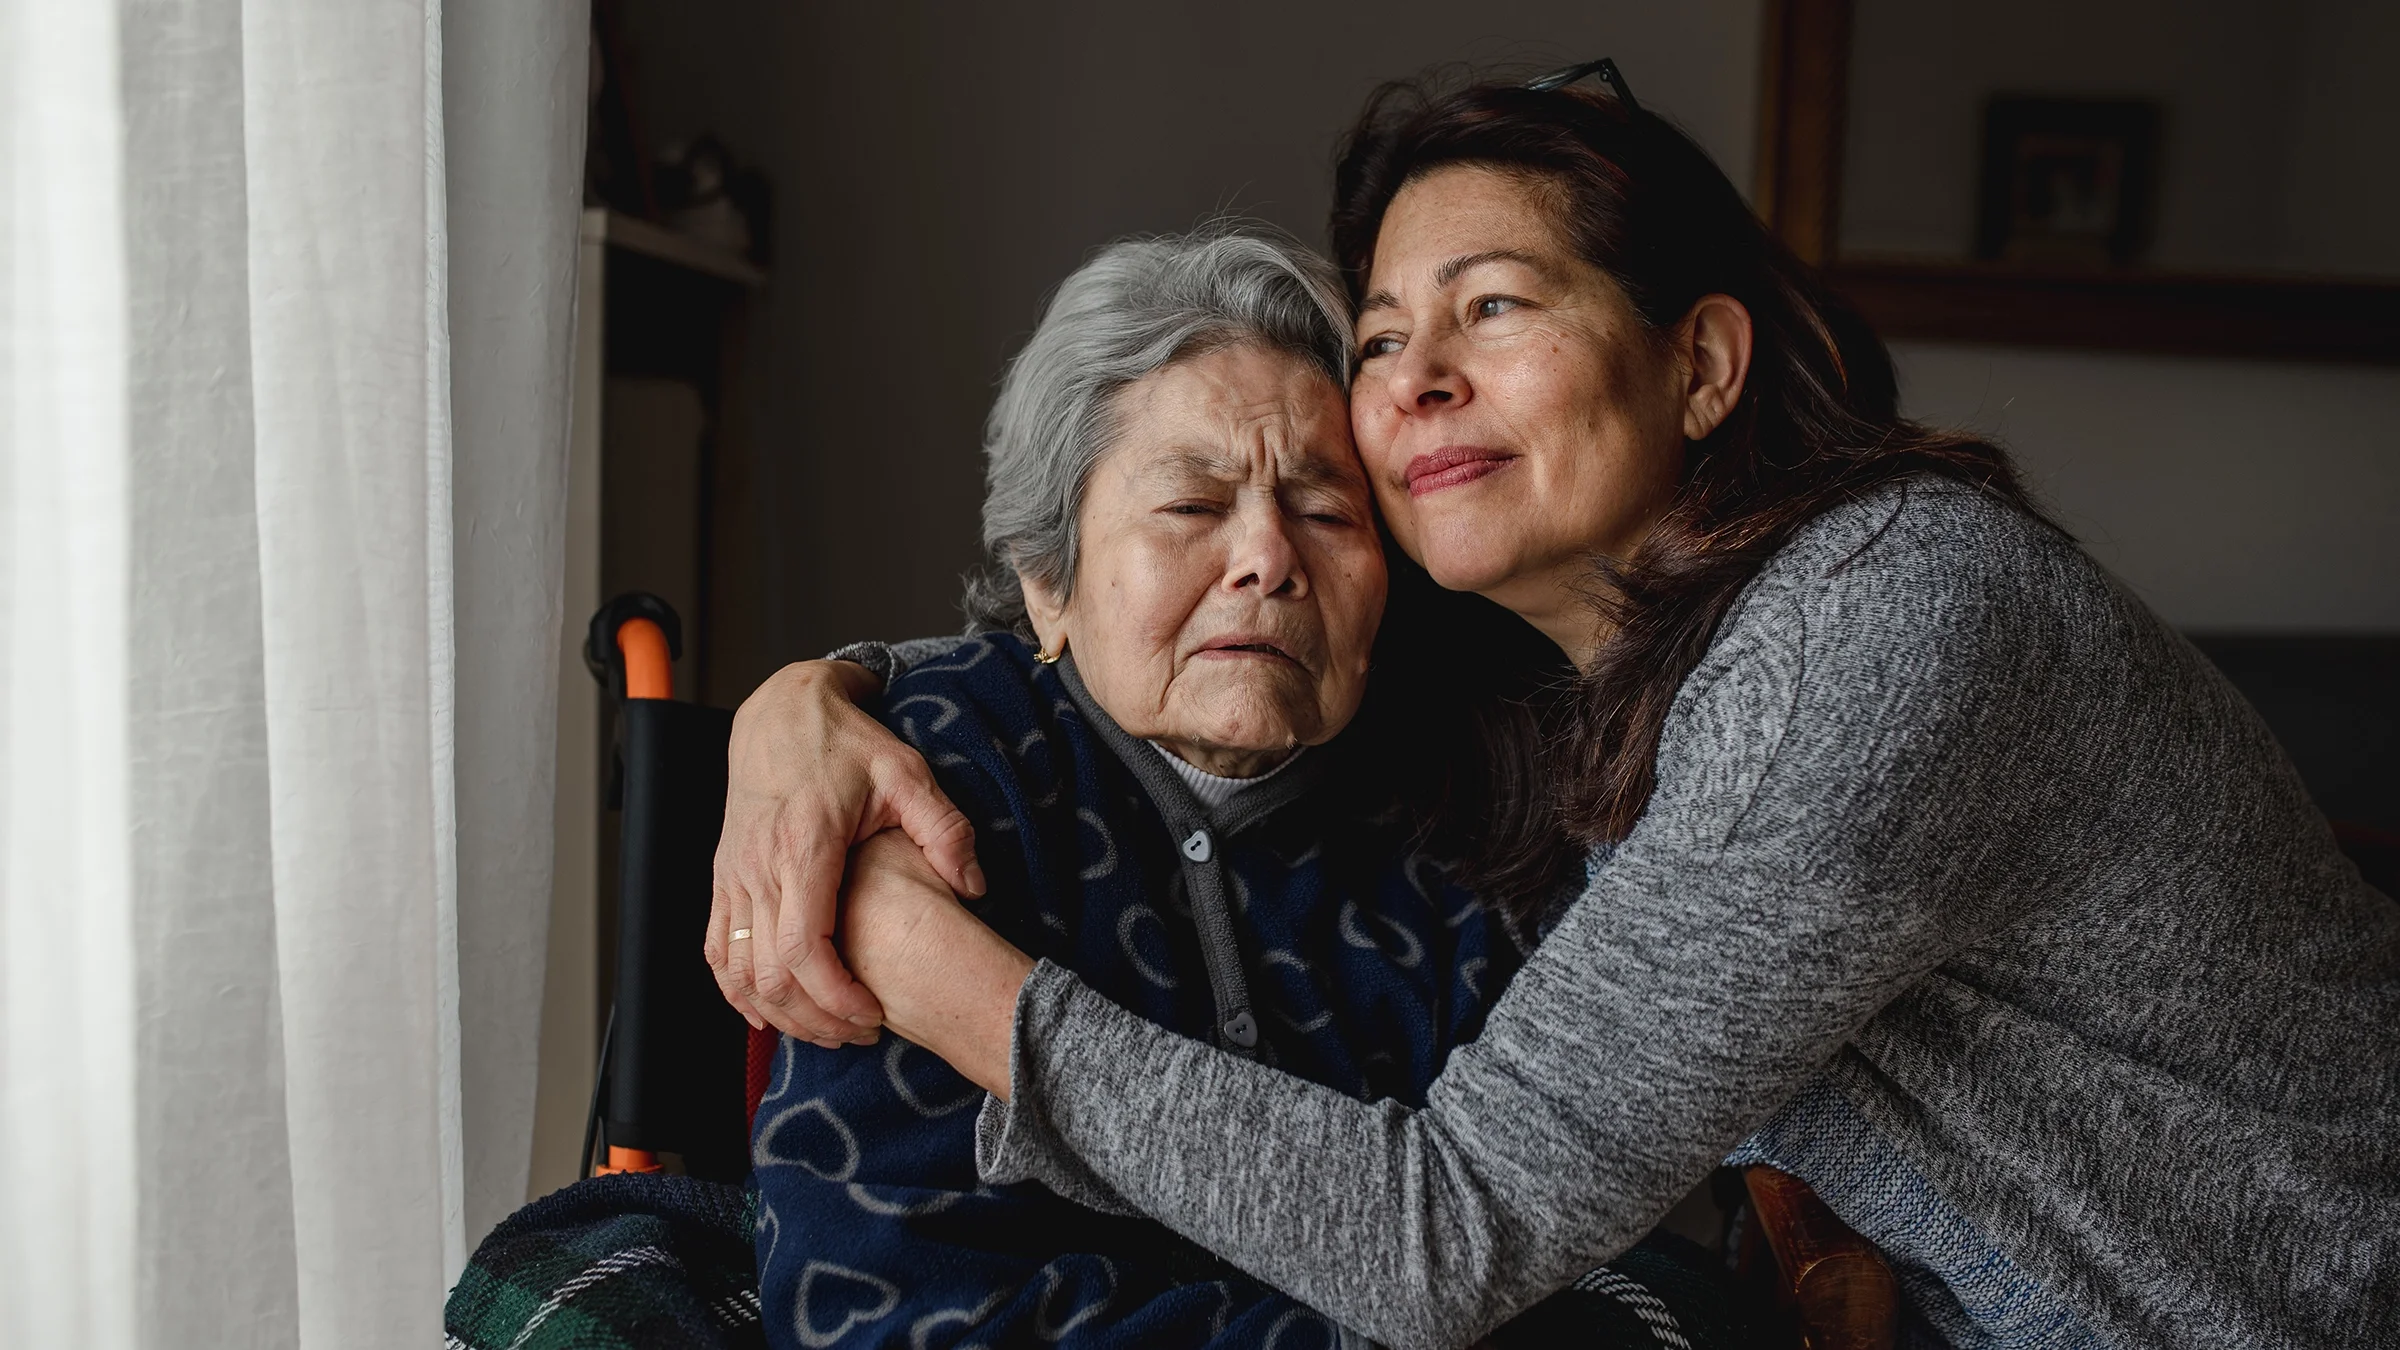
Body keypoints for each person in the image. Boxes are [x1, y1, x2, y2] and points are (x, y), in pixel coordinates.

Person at [719, 69, 2399, 1350]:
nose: (1420, 377)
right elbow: (1105, 646)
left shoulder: (1865, 640)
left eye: (1495, 307)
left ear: (1703, 366)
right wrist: (802, 705)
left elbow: (1447, 1230)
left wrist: (928, 961)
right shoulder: (1589, 680)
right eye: (1386, 335)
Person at [747, 224, 1759, 1350]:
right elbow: (876, 1297)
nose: (1268, 558)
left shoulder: (1477, 810)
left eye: (1328, 514)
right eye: (1190, 507)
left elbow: (1541, 1247)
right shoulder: (932, 779)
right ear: (1049, 581)